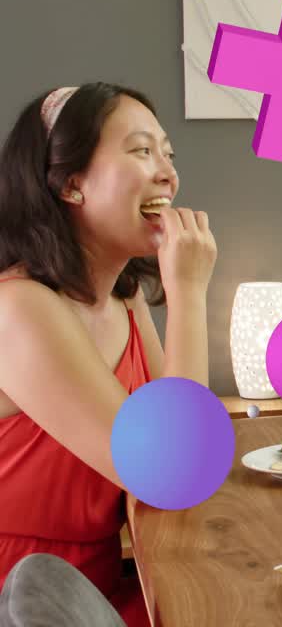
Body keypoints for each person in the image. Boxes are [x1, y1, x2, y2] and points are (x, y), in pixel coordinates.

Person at [0, 83, 218, 626]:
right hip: (27, 600)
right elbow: (174, 472)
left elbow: (186, 446)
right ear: (71, 184)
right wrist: (189, 293)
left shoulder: (126, 298)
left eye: (168, 153)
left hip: (104, 588)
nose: (167, 173)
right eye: (142, 151)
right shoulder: (19, 308)